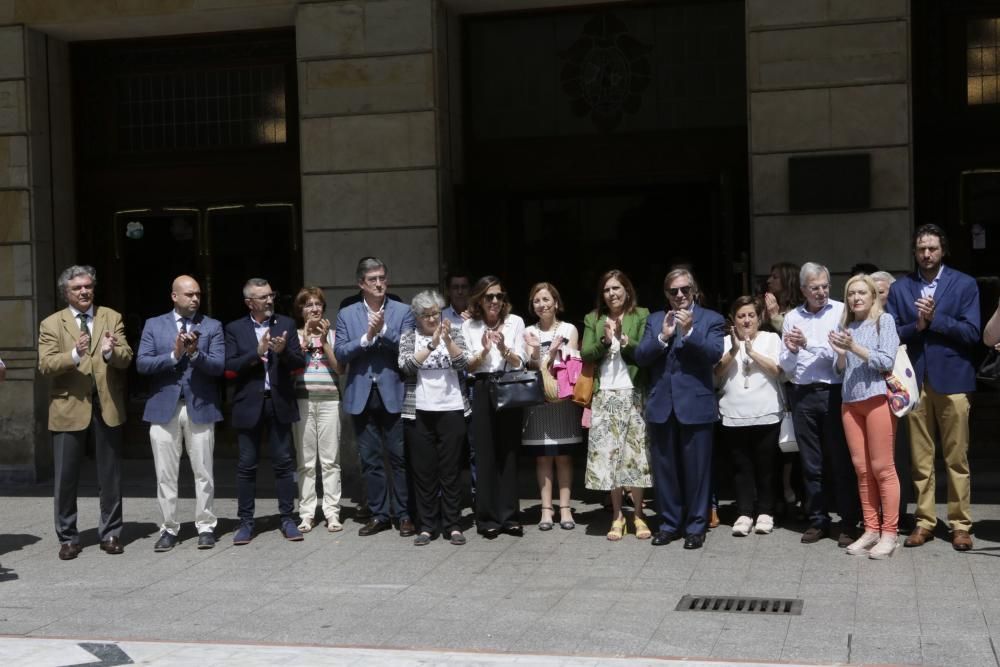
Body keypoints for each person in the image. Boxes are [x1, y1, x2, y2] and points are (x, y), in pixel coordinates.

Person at [887, 224, 981, 551]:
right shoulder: (901, 289)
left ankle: (960, 524)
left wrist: (936, 319)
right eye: (921, 249)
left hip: (953, 379)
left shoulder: (965, 284)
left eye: (933, 249)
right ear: (914, 252)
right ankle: (924, 521)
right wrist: (918, 325)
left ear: (943, 251)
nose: (927, 254)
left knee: (957, 457)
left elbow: (973, 334)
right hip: (915, 381)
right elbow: (893, 334)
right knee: (920, 459)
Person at [38, 265, 133, 560]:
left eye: (88, 286)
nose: (84, 292)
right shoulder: (51, 324)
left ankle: (112, 533)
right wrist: (75, 354)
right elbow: (46, 365)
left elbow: (126, 357)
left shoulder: (111, 317)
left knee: (110, 476)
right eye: (77, 288)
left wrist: (109, 352)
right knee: (66, 478)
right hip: (68, 407)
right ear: (66, 292)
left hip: (106, 406)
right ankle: (68, 537)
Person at [636, 268, 726, 550]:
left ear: (694, 291)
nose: (679, 296)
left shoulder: (711, 319)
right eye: (673, 291)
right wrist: (662, 337)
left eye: (685, 290)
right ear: (666, 294)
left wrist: (689, 331)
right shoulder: (654, 320)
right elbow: (640, 357)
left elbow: (713, 355)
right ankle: (669, 524)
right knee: (665, 469)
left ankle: (696, 526)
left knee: (698, 470)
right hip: (662, 404)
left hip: (696, 404)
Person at [136, 275, 224, 551]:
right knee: (165, 473)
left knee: (204, 472)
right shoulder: (154, 325)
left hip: (200, 407)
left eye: (198, 294)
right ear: (174, 296)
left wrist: (196, 354)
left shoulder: (212, 326)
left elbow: (219, 366)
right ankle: (169, 528)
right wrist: (174, 356)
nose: (195, 299)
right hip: (164, 408)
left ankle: (206, 525)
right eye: (189, 294)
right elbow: (142, 364)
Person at [779, 262, 860, 546]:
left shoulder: (840, 311)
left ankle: (849, 522)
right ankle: (818, 519)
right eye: (815, 288)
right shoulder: (791, 318)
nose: (822, 292)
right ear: (803, 289)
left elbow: (839, 354)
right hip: (802, 393)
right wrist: (791, 350)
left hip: (834, 391)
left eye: (825, 286)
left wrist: (807, 345)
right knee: (810, 462)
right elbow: (786, 366)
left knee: (839, 460)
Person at [335, 257, 416, 537]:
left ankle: (404, 514)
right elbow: (342, 353)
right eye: (373, 279)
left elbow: (408, 348)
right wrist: (366, 338)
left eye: (382, 278)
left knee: (399, 457)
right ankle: (380, 514)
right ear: (361, 284)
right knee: (369, 459)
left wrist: (382, 331)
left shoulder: (403, 311)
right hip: (361, 392)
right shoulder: (347, 314)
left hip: (393, 391)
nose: (379, 283)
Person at [224, 278, 306, 545]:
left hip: (279, 402)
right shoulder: (235, 328)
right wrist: (255, 353)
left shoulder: (286, 324)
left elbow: (298, 364)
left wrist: (282, 353)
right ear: (250, 302)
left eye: (271, 295)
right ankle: (246, 522)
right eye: (263, 297)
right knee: (247, 466)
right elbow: (229, 368)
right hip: (249, 405)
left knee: (283, 463)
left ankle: (287, 518)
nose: (270, 300)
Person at [829, 274, 901, 559]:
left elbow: (885, 360)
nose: (856, 298)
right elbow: (839, 369)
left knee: (883, 468)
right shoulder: (847, 324)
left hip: (876, 399)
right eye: (851, 293)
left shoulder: (885, 321)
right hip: (850, 402)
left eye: (861, 293)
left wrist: (853, 347)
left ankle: (890, 533)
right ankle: (871, 529)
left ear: (873, 295)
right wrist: (842, 354)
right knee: (861, 470)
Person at [581, 270, 652, 541]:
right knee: (610, 457)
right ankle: (617, 515)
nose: (612, 294)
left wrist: (624, 340)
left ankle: (639, 514)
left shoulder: (641, 314)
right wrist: (604, 340)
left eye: (616, 288)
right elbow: (585, 352)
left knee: (635, 455)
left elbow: (645, 351)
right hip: (605, 394)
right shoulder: (593, 318)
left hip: (633, 392)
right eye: (607, 290)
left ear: (627, 290)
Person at [398, 290, 471, 546]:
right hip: (418, 411)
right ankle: (427, 526)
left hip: (451, 409)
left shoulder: (455, 332)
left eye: (436, 314)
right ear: (417, 317)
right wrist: (430, 344)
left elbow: (464, 364)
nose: (432, 319)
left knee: (450, 471)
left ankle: (452, 524)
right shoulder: (409, 337)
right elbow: (406, 367)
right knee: (424, 472)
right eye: (426, 315)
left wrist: (447, 340)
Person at [462, 276, 527, 538]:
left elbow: (520, 362)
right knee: (485, 453)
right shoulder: (470, 325)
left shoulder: (516, 322)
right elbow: (468, 365)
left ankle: (510, 516)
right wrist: (485, 350)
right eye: (489, 297)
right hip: (481, 386)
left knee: (509, 452)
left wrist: (503, 348)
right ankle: (487, 517)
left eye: (499, 296)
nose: (495, 301)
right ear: (479, 299)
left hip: (508, 385)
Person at [714, 296, 783, 537]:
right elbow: (716, 374)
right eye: (741, 316)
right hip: (733, 413)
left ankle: (765, 511)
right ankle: (744, 512)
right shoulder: (725, 341)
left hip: (766, 412)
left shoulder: (771, 339)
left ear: (759, 317)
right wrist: (734, 350)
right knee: (740, 466)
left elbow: (778, 371)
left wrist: (753, 353)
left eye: (751, 315)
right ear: (734, 319)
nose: (746, 320)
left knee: (766, 466)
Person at [522, 282, 584, 531]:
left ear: (556, 302)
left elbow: (572, 363)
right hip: (538, 402)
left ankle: (566, 508)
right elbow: (529, 366)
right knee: (542, 458)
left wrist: (553, 353)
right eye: (537, 300)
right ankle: (546, 510)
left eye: (546, 299)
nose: (542, 304)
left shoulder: (569, 328)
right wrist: (542, 352)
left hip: (564, 400)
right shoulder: (528, 331)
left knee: (564, 457)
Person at [292, 287, 345, 534]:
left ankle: (332, 512)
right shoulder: (293, 336)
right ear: (301, 310)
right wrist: (303, 341)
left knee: (330, 460)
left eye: (317, 304)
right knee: (305, 461)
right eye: (308, 305)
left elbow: (340, 368)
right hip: (302, 400)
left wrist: (323, 343)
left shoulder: (333, 335)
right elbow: (290, 367)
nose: (314, 309)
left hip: (329, 400)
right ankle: (306, 513)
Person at [763, 262, 801, 333]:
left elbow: (793, 335)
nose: (768, 281)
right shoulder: (768, 304)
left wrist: (775, 316)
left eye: (775, 277)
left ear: (788, 281)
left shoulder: (802, 309)